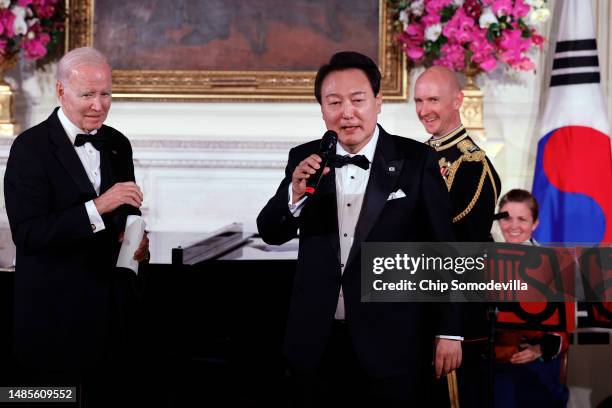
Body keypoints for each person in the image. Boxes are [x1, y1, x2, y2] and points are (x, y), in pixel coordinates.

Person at [257, 51, 462, 406]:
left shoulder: (416, 160)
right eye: (334, 102)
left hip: (392, 341)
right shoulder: (306, 157)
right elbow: (271, 231)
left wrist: (450, 331)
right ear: (322, 108)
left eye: (357, 100)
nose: (346, 113)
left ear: (378, 102)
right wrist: (294, 194)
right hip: (316, 342)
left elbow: (446, 250)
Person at [4, 47, 149, 406]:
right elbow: (28, 234)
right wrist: (98, 206)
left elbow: (125, 216)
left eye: (106, 94)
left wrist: (135, 245)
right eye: (88, 95)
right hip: (52, 324)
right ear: (60, 92)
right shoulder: (29, 149)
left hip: (110, 322)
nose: (99, 105)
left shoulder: (117, 143)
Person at [414, 66, 502, 407]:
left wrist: (452, 332)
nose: (424, 110)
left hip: (450, 324)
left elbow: (465, 255)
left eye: (433, 99)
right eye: (419, 101)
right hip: (415, 312)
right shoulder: (419, 156)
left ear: (458, 100)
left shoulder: (471, 166)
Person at [495, 189, 570, 408]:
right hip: (495, 361)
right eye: (506, 217)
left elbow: (563, 331)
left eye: (522, 219)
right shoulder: (485, 261)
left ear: (535, 223)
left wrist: (538, 350)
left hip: (536, 363)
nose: (513, 226)